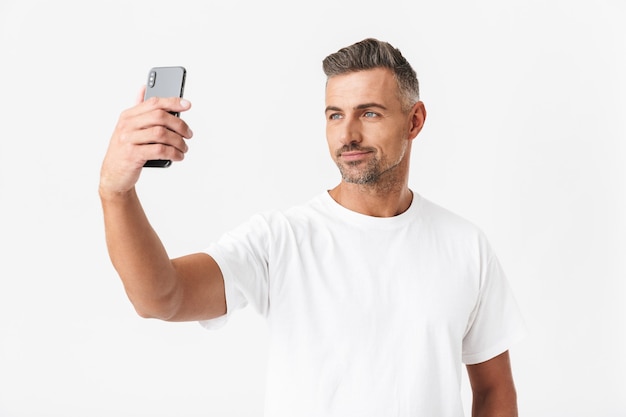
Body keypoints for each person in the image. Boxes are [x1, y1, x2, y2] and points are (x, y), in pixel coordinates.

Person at [100, 38, 526, 417]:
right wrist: (116, 193)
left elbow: (493, 390)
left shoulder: (464, 245)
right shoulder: (280, 240)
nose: (349, 134)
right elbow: (161, 298)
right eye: (335, 115)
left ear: (414, 121)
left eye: (370, 113)